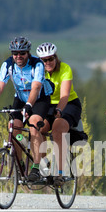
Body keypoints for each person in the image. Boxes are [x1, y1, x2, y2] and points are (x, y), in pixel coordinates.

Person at [0, 36, 54, 181]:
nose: (18, 56)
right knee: (14, 128)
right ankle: (19, 164)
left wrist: (29, 105)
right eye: (15, 53)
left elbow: (36, 87)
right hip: (20, 99)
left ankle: (36, 168)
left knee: (33, 123)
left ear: (28, 53)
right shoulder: (8, 65)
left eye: (22, 53)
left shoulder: (36, 64)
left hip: (39, 99)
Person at [36, 42, 82, 183]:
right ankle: (43, 164)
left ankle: (60, 173)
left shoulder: (65, 69)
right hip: (48, 104)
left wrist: (59, 110)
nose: (48, 62)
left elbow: (65, 95)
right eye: (44, 60)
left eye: (51, 59)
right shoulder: (38, 71)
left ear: (56, 58)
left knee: (57, 130)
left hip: (68, 104)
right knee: (39, 127)